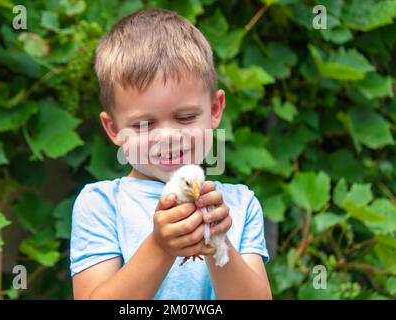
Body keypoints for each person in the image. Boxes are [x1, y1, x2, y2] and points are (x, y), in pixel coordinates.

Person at [70, 8, 271, 300]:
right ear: (113, 129)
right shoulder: (101, 206)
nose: (167, 137)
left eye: (186, 117)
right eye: (145, 124)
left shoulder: (240, 206)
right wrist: (159, 247)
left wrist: (217, 241)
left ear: (215, 110)